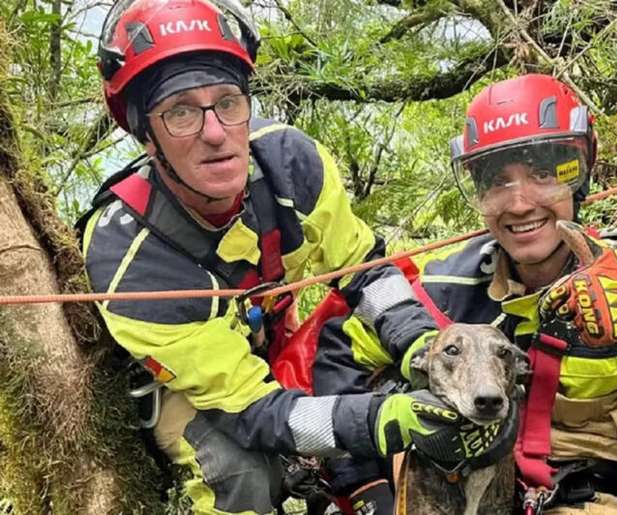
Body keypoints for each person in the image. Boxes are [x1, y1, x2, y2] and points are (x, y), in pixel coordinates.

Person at [79, 0, 513, 513]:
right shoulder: (128, 258)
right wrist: (376, 421)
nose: (215, 133)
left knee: (385, 355)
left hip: (270, 340)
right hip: (192, 385)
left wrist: (424, 346)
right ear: (145, 135)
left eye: (228, 102)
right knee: (240, 471)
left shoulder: (288, 163)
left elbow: (366, 272)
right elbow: (253, 411)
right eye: (180, 112)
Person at [313, 74, 617, 514]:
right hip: (451, 490)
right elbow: (343, 350)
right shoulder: (446, 288)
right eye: (497, 181)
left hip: (587, 496)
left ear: (580, 176)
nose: (518, 204)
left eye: (542, 173)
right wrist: (365, 485)